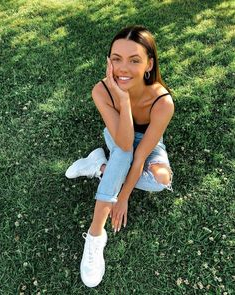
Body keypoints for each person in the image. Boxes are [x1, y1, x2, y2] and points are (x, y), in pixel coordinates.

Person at [65, 25, 174, 288]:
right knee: (123, 154)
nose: (123, 68)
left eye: (134, 60)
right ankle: (95, 235)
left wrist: (123, 196)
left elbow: (140, 157)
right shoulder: (101, 91)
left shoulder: (162, 102)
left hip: (148, 143)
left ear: (149, 64)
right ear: (108, 62)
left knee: (160, 180)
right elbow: (125, 143)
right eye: (116, 59)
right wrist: (122, 101)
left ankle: (100, 166)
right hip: (118, 135)